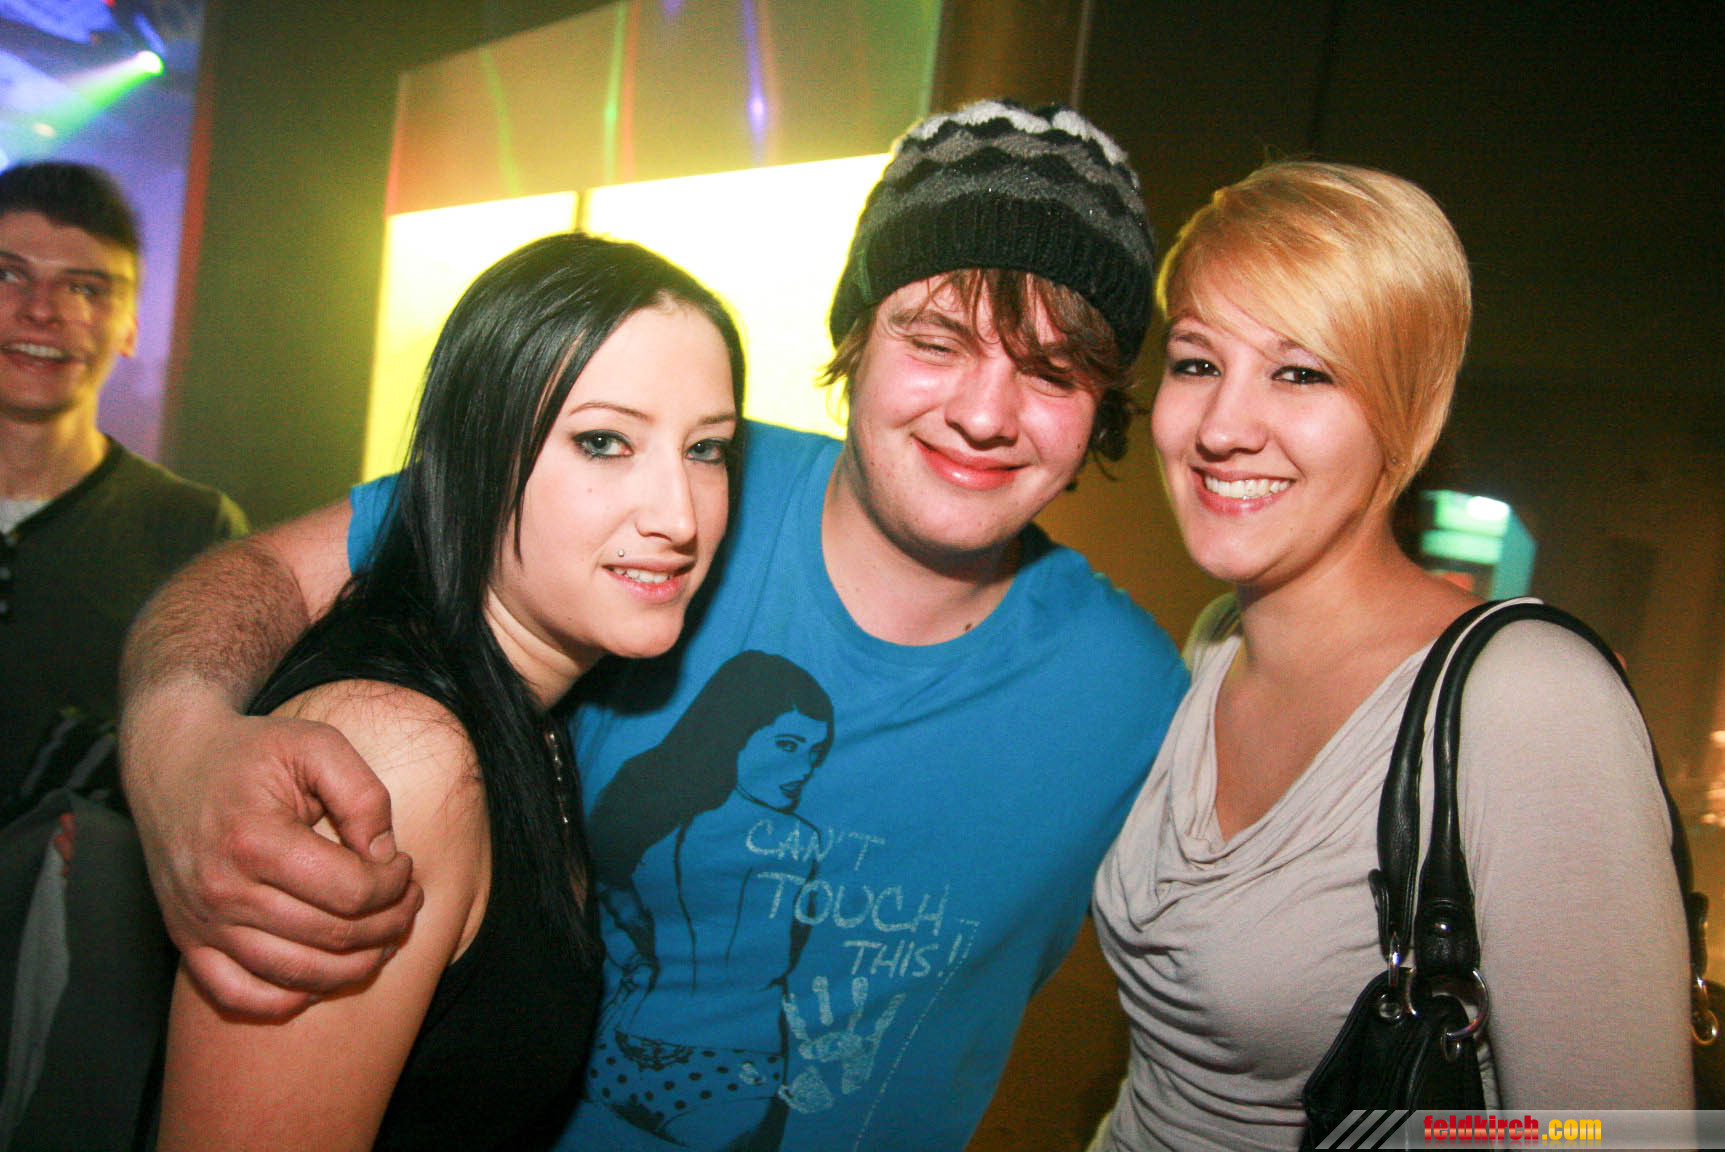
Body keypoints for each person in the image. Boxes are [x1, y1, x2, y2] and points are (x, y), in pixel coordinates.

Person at [120, 99, 1189, 1150]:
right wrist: (177, 737)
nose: (986, 413)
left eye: (1052, 370)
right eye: (938, 340)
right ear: (856, 340)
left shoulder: (1135, 696)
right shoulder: (665, 478)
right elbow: (271, 572)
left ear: (1103, 408)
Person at [1090, 161, 1691, 1151]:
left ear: (1404, 413)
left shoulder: (1529, 698)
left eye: (1301, 372)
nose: (1222, 428)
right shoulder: (1215, 643)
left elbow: (1616, 1134)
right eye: (1197, 362)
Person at [154, 232, 745, 1151]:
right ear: (473, 453)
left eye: (706, 449)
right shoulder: (397, 753)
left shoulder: (529, 717)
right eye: (603, 442)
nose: (678, 516)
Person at [0, 160, 245, 810]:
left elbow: (213, 770)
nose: (42, 311)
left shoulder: (193, 531)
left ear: (131, 325)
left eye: (85, 288)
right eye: (8, 275)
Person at [586, 650, 836, 1146]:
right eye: (787, 745)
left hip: (629, 1041)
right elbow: (778, 958)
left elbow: (603, 898)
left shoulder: (653, 813)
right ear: (734, 732)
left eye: (814, 752)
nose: (804, 768)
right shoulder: (795, 839)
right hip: (723, 1063)